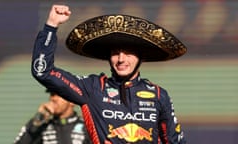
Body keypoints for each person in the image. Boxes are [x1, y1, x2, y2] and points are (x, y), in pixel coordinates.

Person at [31, 4, 187, 144]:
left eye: (129, 53)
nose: (121, 59)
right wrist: (51, 26)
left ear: (141, 57)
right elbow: (43, 71)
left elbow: (175, 142)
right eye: (115, 53)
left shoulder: (159, 95)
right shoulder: (92, 88)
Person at [14, 89, 91, 144]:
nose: (53, 98)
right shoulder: (41, 126)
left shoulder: (88, 127)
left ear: (72, 101)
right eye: (52, 94)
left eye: (58, 95)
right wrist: (38, 120)